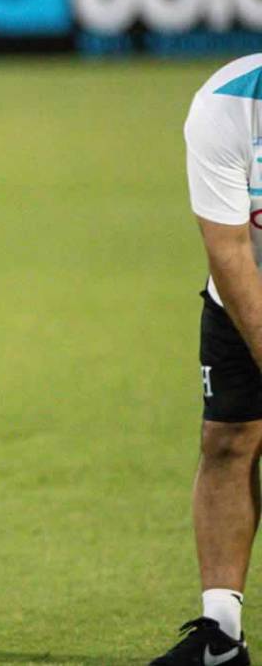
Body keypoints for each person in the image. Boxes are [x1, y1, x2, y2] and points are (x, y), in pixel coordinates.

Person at [150, 55, 262, 666]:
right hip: (244, 291)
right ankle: (221, 638)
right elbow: (228, 247)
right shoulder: (225, 103)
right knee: (227, 441)